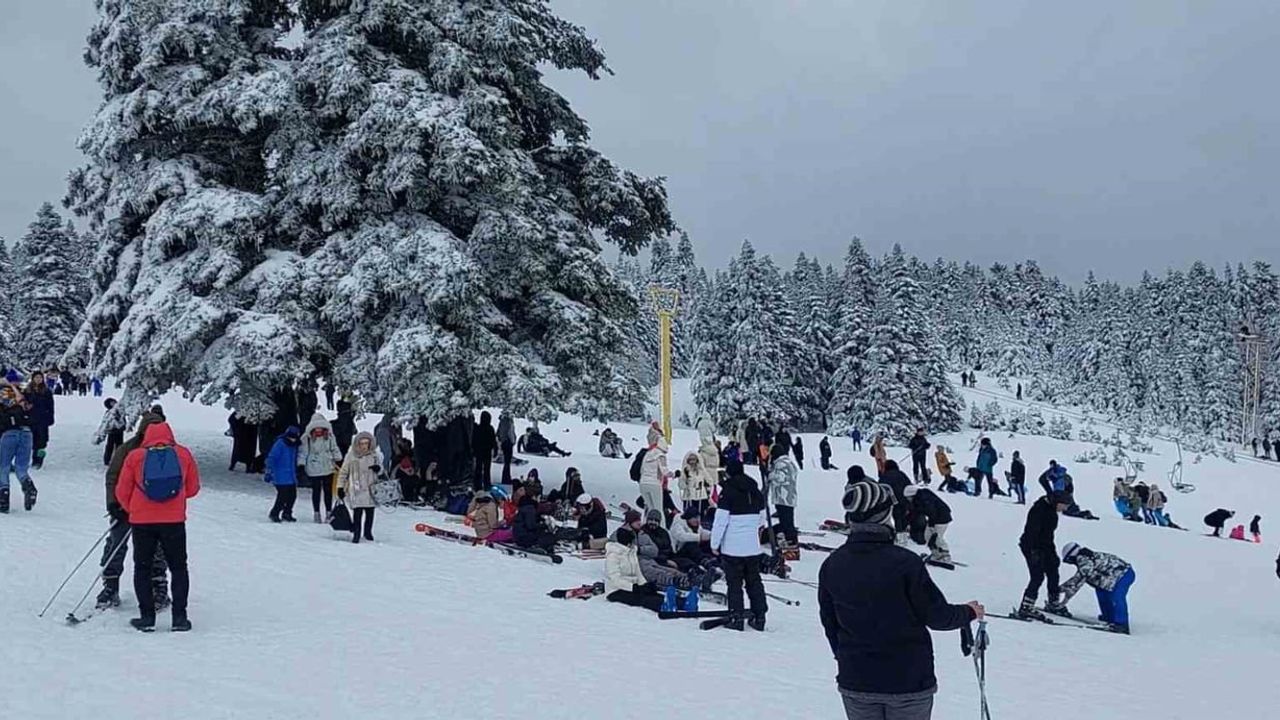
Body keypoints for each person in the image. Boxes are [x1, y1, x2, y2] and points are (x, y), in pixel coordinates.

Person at [819, 480, 982, 720]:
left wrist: (846, 658)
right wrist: (968, 612)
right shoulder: (905, 563)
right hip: (908, 681)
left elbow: (829, 623)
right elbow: (936, 615)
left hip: (857, 680)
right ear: (885, 515)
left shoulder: (833, 564)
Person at [114, 420, 201, 632]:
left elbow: (121, 491)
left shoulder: (135, 456)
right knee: (179, 568)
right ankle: (180, 618)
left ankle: (146, 617)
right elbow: (193, 488)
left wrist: (132, 509)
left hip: (142, 521)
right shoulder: (183, 454)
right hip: (174, 521)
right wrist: (174, 498)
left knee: (142, 567)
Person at [98, 409, 170, 610]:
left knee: (153, 547)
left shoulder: (167, 450)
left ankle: (157, 585)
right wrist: (113, 503)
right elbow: (113, 476)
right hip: (128, 507)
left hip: (151, 511)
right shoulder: (127, 449)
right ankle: (111, 584)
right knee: (118, 544)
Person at [710, 459, 768, 631]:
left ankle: (736, 617)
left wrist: (715, 544)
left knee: (734, 584)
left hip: (732, 548)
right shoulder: (755, 491)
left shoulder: (727, 493)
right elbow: (761, 519)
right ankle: (760, 616)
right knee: (754, 582)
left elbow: (720, 522)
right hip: (752, 547)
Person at [1016, 492, 1072, 621]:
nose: (1065, 509)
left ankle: (1053, 602)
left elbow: (1048, 535)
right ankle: (1026, 606)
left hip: (1045, 547)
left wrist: (1053, 554)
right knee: (1037, 576)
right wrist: (1033, 553)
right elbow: (1031, 532)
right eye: (1064, 506)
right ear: (1056, 501)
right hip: (1030, 546)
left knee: (1053, 571)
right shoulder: (1039, 510)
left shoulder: (1051, 511)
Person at [1059, 543, 1136, 634]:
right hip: (1119, 575)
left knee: (1117, 597)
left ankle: (1121, 624)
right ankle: (1109, 617)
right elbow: (1079, 579)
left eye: (1069, 560)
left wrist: (1058, 591)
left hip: (1123, 575)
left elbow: (1078, 580)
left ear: (1071, 556)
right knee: (1102, 592)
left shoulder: (1083, 559)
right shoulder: (1086, 557)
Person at [337, 431, 383, 543]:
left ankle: (368, 532)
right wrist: (340, 487)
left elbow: (381, 470)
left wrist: (378, 469)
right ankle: (356, 533)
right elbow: (343, 472)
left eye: (366, 443)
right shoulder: (351, 456)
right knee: (357, 512)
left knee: (370, 512)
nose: (364, 446)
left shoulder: (374, 455)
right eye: (361, 443)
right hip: (356, 489)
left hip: (370, 488)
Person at [604, 528, 664, 612]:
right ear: (627, 543)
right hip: (616, 590)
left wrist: (644, 585)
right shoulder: (613, 556)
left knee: (651, 593)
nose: (634, 544)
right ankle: (665, 606)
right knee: (643, 599)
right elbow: (615, 579)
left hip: (633, 586)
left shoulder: (631, 552)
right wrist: (634, 588)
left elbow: (638, 573)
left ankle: (682, 602)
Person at [299, 413, 343, 523]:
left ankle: (328, 512)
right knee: (316, 491)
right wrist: (301, 464)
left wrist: (338, 459)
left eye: (320, 428)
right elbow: (303, 452)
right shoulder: (307, 438)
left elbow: (334, 448)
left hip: (328, 467)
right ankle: (316, 513)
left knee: (328, 491)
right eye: (316, 429)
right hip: (314, 468)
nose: (318, 431)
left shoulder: (329, 437)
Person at [0, 384, 36, 513]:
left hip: (8, 434)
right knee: (21, 467)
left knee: (3, 467)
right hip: (27, 433)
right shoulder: (22, 405)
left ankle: (3, 497)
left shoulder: (3, 408)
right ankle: (29, 487)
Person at [904, 484, 953, 564]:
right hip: (934, 519)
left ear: (912, 495)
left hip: (943, 518)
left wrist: (932, 526)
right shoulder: (918, 499)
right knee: (927, 536)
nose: (908, 500)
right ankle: (936, 554)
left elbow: (932, 512)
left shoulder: (925, 498)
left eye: (908, 498)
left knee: (936, 537)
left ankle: (945, 555)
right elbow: (916, 512)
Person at [264, 426, 302, 523]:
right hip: (280, 475)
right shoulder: (280, 444)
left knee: (292, 495)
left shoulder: (295, 445)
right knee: (282, 496)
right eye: (291, 437)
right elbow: (272, 458)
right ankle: (274, 513)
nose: (292, 439)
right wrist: (269, 471)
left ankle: (287, 513)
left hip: (291, 475)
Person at [638, 423, 670, 524]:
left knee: (650, 509)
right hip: (654, 484)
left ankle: (647, 528)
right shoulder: (660, 455)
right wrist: (675, 474)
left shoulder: (647, 454)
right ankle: (662, 530)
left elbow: (642, 470)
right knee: (658, 509)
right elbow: (664, 471)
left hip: (643, 483)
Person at [768, 443, 800, 547]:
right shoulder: (789, 462)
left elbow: (781, 478)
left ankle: (790, 539)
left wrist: (770, 475)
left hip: (783, 497)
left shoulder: (780, 464)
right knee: (788, 519)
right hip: (790, 496)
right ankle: (790, 537)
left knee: (785, 519)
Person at [24, 372, 54, 469]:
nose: (38, 379)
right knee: (31, 441)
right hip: (31, 419)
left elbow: (50, 406)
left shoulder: (46, 391)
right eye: (36, 377)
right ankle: (33, 459)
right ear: (32, 378)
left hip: (43, 419)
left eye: (40, 377)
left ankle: (39, 460)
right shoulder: (27, 391)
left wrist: (50, 417)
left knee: (42, 442)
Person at [879, 459, 912, 545]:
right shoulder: (902, 474)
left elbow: (881, 487)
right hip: (904, 498)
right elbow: (909, 485)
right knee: (903, 516)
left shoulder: (885, 476)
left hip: (893, 500)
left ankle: (900, 537)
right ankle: (904, 535)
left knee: (897, 517)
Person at [679, 451, 715, 520]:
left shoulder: (701, 470)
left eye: (694, 459)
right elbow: (681, 486)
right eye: (690, 460)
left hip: (701, 497)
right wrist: (685, 480)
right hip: (689, 497)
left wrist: (707, 487)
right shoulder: (685, 471)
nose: (692, 462)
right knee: (689, 516)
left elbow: (710, 481)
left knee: (701, 515)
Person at [93, 398, 128, 466]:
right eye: (112, 403)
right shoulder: (109, 413)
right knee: (110, 446)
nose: (114, 404)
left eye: (114, 402)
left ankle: (119, 459)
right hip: (112, 432)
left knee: (119, 446)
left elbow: (123, 421)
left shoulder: (119, 412)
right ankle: (107, 460)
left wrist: (123, 427)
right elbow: (106, 422)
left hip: (119, 432)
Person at [472, 411, 496, 490]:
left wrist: (473, 450)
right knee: (486, 469)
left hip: (479, 451)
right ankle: (487, 484)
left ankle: (477, 485)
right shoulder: (490, 428)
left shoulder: (478, 428)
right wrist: (494, 449)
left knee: (478, 469)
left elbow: (474, 440)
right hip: (487, 452)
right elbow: (493, 441)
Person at [498, 410, 517, 484]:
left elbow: (498, 432)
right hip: (508, 443)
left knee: (506, 462)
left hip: (504, 442)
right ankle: (506, 478)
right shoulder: (508, 422)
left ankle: (506, 477)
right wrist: (513, 441)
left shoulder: (501, 422)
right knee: (507, 462)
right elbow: (510, 433)